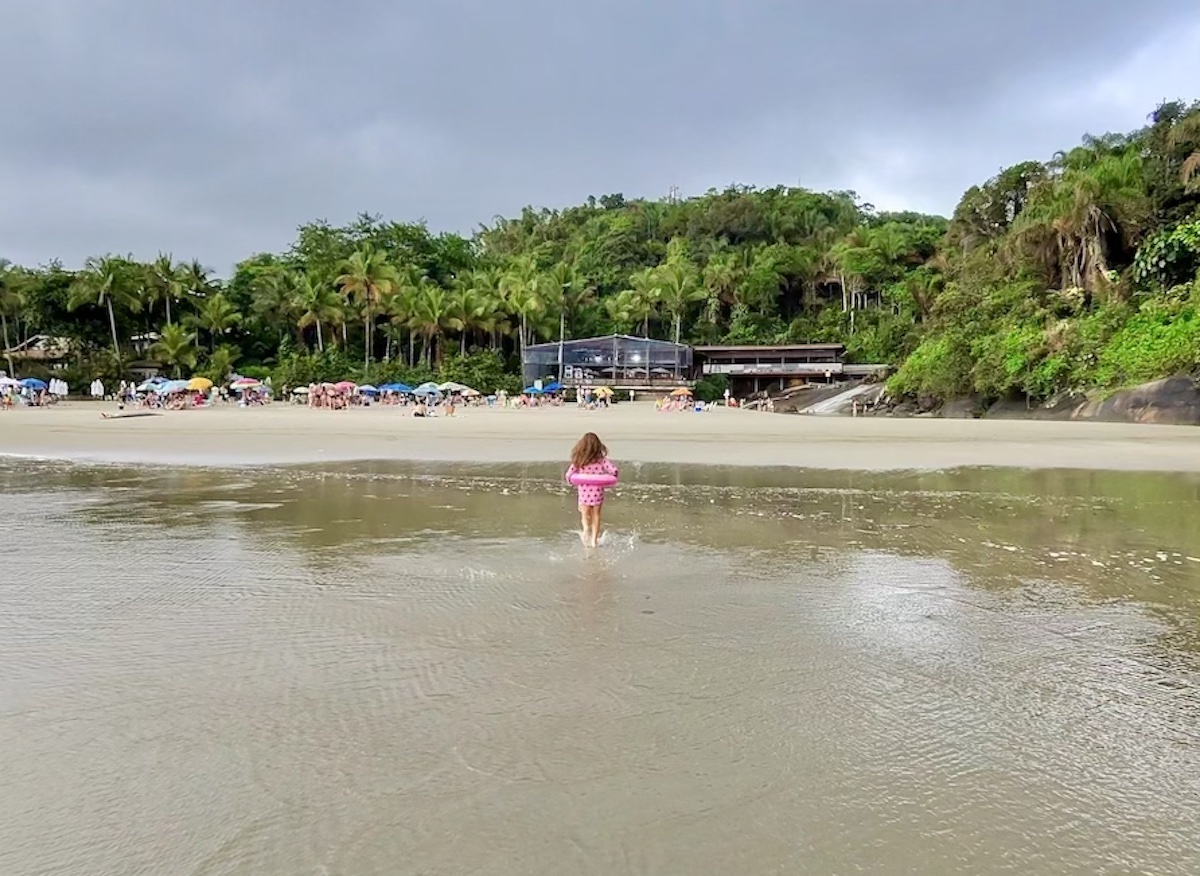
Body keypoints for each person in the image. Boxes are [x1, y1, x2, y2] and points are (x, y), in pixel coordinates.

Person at [566, 432, 618, 548]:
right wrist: (612, 477)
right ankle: (594, 540)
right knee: (596, 515)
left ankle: (586, 530)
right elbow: (613, 470)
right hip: (597, 492)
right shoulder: (601, 460)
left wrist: (571, 481)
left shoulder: (579, 460)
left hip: (584, 492)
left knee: (585, 514)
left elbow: (569, 474)